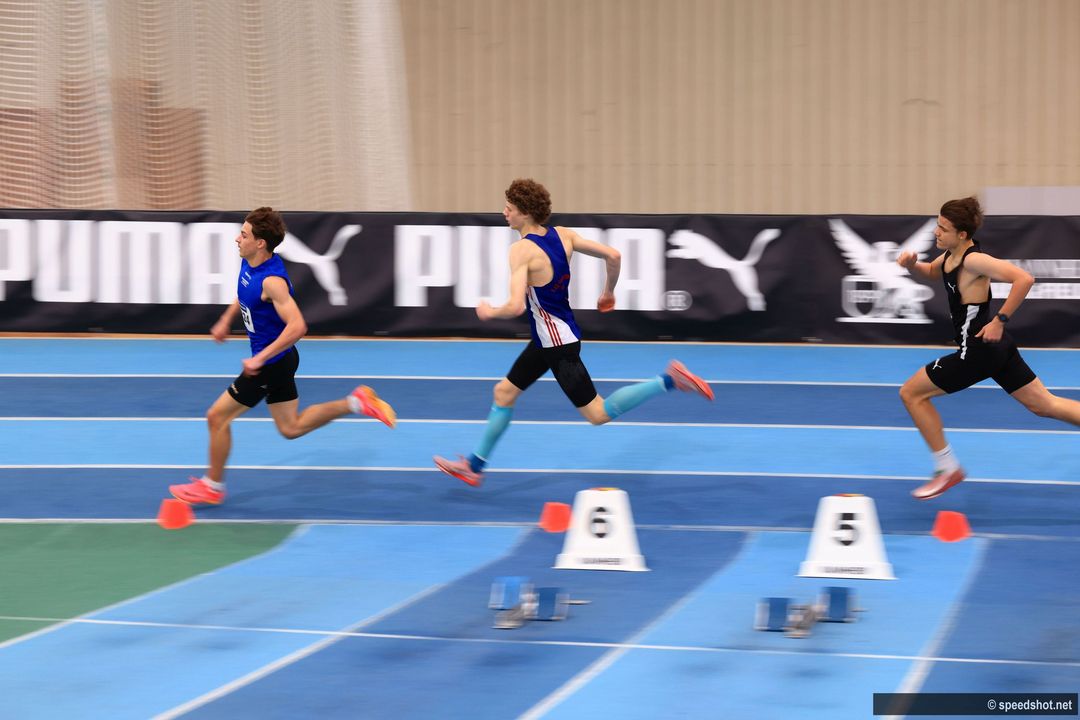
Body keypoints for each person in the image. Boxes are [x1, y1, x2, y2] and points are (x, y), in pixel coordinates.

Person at [433, 178, 714, 487]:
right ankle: (474, 466)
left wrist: (489, 312)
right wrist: (608, 292)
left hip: (557, 346)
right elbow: (614, 256)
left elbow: (514, 306)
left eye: (509, 208)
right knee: (504, 392)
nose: (504, 212)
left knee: (598, 413)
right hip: (549, 339)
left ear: (525, 213)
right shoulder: (563, 235)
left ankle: (669, 380)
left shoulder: (521, 250)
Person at [169, 207, 395, 505]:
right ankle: (356, 401)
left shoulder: (272, 282)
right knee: (291, 428)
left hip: (269, 365)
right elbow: (244, 294)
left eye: (244, 235)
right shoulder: (250, 262)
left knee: (217, 417)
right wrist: (226, 319)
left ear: (260, 242)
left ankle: (212, 486)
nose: (237, 239)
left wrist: (259, 359)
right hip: (281, 361)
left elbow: (298, 326)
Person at [897, 196, 1080, 500]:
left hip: (978, 351)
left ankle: (947, 468)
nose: (936, 232)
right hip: (995, 349)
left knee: (911, 394)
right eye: (937, 225)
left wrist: (1000, 320)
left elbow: (1024, 279)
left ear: (962, 234)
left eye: (943, 229)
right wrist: (912, 265)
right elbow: (931, 271)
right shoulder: (950, 256)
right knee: (1044, 405)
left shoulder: (973, 260)